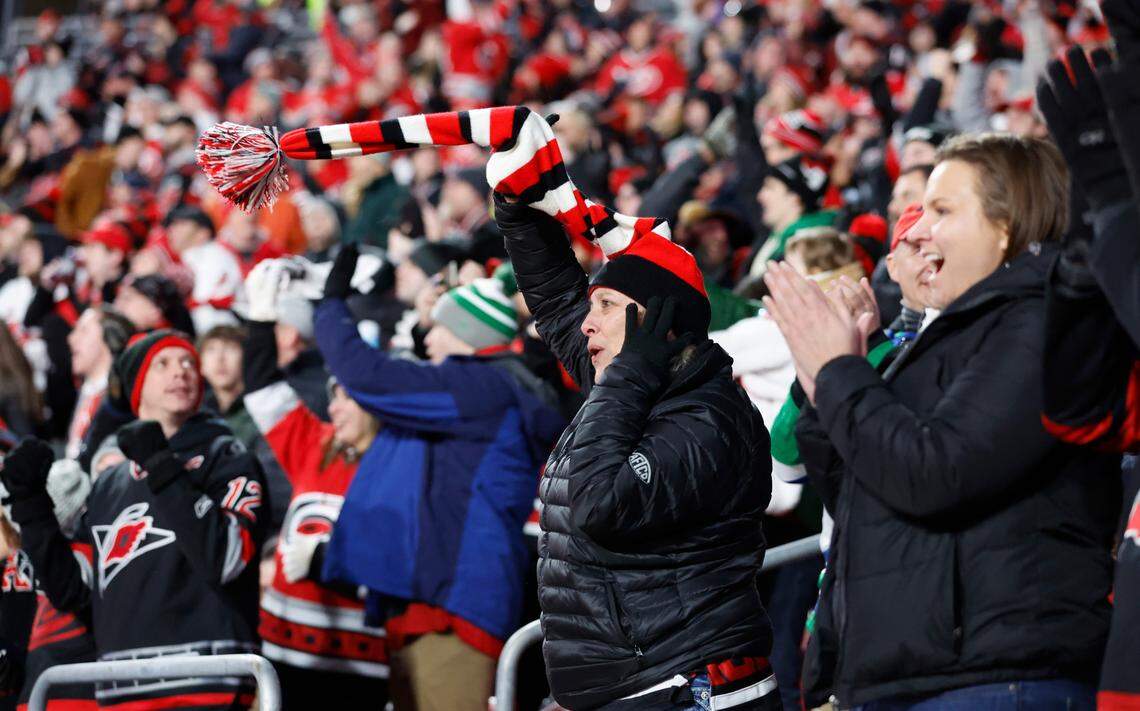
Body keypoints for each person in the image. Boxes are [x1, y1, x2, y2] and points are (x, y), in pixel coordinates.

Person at [765, 133, 1119, 710]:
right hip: (921, 674)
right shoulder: (949, 336)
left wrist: (839, 372)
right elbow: (859, 491)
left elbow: (937, 472)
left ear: (1008, 225)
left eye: (942, 210)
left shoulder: (1043, 320)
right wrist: (822, 379)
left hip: (1000, 678)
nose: (917, 229)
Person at [494, 195, 779, 710]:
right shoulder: (637, 388)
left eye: (605, 306)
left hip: (686, 687)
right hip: (638, 686)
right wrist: (518, 212)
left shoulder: (706, 419)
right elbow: (560, 305)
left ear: (660, 325)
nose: (587, 322)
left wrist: (629, 375)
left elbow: (599, 505)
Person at [312, 245, 565, 711]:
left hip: (456, 604)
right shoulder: (483, 388)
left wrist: (330, 308)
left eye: (441, 326)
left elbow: (366, 377)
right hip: (432, 600)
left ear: (468, 334)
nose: (429, 336)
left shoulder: (480, 387)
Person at [2, 329, 268, 710]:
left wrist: (163, 466)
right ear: (136, 387)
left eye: (189, 362)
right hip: (122, 689)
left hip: (209, 681)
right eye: (164, 363)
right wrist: (31, 507)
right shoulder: (111, 481)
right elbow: (75, 590)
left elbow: (224, 558)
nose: (182, 371)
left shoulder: (227, 456)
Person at [240, 260, 388, 710]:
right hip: (284, 652)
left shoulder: (400, 462)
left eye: (349, 396)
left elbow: (401, 558)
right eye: (334, 394)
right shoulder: (315, 443)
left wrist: (329, 561)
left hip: (361, 662)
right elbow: (263, 388)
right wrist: (262, 319)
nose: (336, 406)